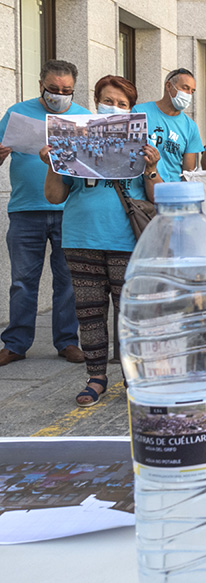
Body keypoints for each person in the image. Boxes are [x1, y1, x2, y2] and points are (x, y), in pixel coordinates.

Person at [40, 75, 161, 404]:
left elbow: (159, 196)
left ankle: (134, 378)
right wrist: (54, 163)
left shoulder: (143, 145)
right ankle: (96, 378)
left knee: (131, 314)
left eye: (122, 104)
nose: (114, 107)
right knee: (89, 313)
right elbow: (53, 196)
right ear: (96, 103)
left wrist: (152, 167)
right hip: (81, 238)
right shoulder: (75, 140)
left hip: (125, 240)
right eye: (108, 101)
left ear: (131, 111)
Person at [0, 60, 85, 367]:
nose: (59, 95)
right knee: (23, 280)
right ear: (41, 86)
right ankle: (16, 344)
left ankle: (67, 341)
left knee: (67, 280)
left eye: (66, 91)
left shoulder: (84, 118)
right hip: (25, 210)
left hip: (69, 210)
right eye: (53, 89)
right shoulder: (17, 113)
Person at [133, 69, 203, 182]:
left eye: (192, 91)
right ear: (169, 86)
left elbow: (188, 173)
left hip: (172, 192)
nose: (189, 94)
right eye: (185, 88)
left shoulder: (191, 127)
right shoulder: (140, 112)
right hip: (141, 190)